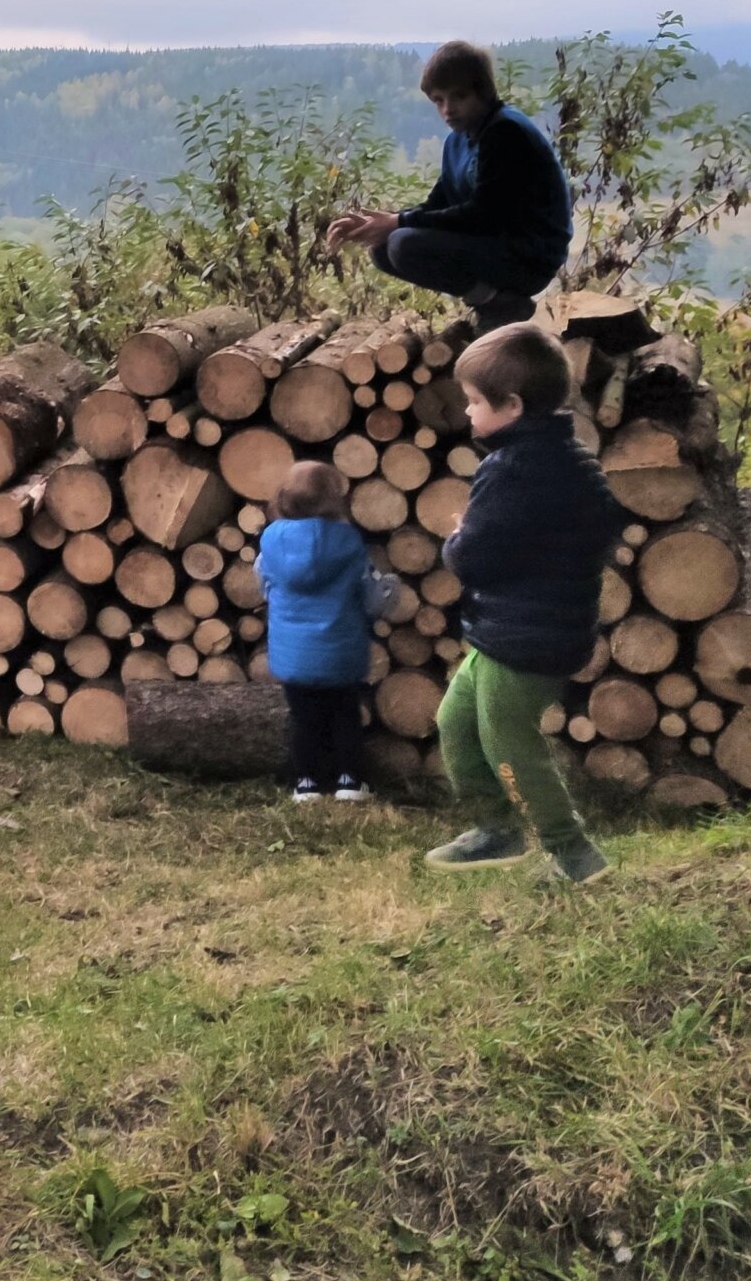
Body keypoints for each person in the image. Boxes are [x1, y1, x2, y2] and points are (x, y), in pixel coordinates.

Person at [423, 323, 621, 885]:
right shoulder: (569, 456)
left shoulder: (512, 469)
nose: (466, 413)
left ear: (511, 405)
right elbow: (603, 522)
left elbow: (472, 558)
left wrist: (458, 536)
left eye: (474, 403)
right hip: (512, 628)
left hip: (526, 636)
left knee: (509, 741)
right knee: (456, 722)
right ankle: (496, 832)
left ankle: (573, 851)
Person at [324, 40, 572, 330]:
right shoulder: (458, 140)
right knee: (382, 247)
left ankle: (501, 305)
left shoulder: (505, 132)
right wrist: (377, 223)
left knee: (403, 244)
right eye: (439, 100)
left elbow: (485, 216)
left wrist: (399, 222)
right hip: (497, 247)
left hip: (529, 257)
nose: (447, 110)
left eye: (459, 97)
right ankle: (491, 301)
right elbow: (439, 204)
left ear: (483, 92)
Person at [257, 460, 395, 804]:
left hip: (294, 655)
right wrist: (392, 587)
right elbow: (374, 597)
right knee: (345, 715)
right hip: (341, 651)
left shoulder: (272, 542)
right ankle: (349, 781)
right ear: (334, 500)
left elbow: (263, 584)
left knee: (303, 719)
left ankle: (306, 783)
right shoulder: (349, 543)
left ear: (284, 499)